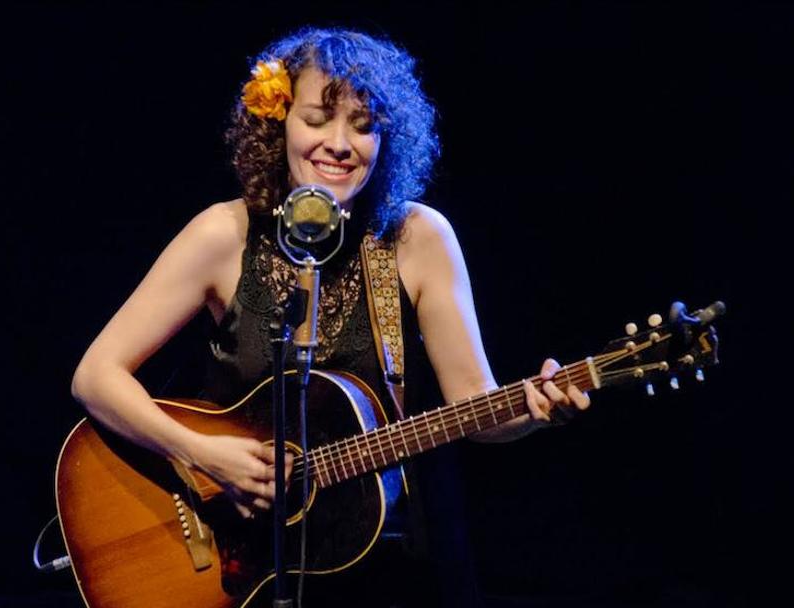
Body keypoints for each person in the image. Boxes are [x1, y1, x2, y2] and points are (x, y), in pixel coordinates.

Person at [71, 27, 590, 608]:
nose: (340, 143)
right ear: (280, 121)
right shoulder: (223, 235)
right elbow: (96, 376)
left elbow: (477, 405)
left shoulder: (418, 238)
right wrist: (200, 451)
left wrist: (538, 412)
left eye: (363, 126)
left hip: (390, 574)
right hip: (246, 573)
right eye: (318, 119)